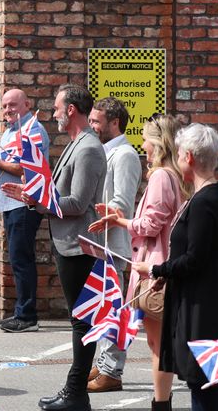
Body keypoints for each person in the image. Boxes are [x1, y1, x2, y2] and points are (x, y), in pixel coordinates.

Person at [3, 84, 106, 411]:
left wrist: (38, 201)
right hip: (69, 241)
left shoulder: (88, 147)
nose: (55, 114)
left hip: (79, 244)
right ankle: (75, 392)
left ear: (72, 110)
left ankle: (76, 394)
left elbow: (77, 202)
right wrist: (33, 197)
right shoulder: (77, 143)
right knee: (80, 319)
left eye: (59, 108)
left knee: (82, 321)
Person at [89, 114, 189, 410]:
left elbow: (150, 224)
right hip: (164, 264)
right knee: (161, 342)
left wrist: (120, 220)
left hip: (153, 267)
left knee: (158, 345)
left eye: (145, 138)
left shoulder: (161, 176)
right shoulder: (176, 174)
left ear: (157, 143)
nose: (142, 143)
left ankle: (161, 403)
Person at [131, 123, 218, 411]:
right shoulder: (208, 197)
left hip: (202, 303)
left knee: (201, 381)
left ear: (188, 157)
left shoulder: (204, 201)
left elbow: (195, 258)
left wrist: (156, 271)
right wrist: (166, 274)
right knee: (200, 380)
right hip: (201, 297)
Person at [0, 88, 49, 333]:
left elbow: (26, 169)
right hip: (10, 202)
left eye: (13, 105)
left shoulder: (32, 130)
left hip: (24, 203)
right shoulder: (9, 132)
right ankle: (21, 313)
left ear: (27, 104)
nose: (8, 110)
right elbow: (2, 172)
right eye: (4, 106)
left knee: (21, 259)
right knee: (17, 258)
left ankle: (27, 317)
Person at [85, 97, 142, 392]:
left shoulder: (125, 155)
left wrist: (95, 210)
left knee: (115, 310)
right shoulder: (105, 152)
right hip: (100, 243)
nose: (92, 126)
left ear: (114, 123)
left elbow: (122, 201)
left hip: (116, 245)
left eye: (97, 121)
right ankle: (103, 363)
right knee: (104, 309)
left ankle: (112, 371)